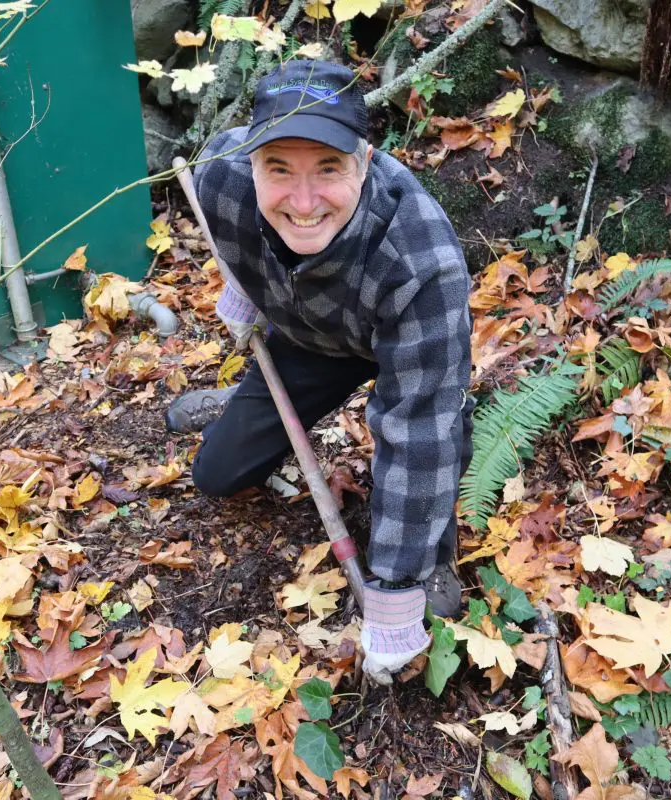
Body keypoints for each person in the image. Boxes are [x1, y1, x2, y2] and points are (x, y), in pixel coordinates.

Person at [165, 60, 473, 684]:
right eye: (279, 170)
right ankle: (238, 400)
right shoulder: (217, 177)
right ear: (251, 162)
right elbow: (227, 237)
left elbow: (419, 430)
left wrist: (391, 597)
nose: (303, 202)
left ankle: (427, 560)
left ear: (362, 160)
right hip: (309, 339)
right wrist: (245, 291)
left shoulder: (420, 258)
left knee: (430, 433)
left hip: (402, 343)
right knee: (217, 475)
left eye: (327, 170)